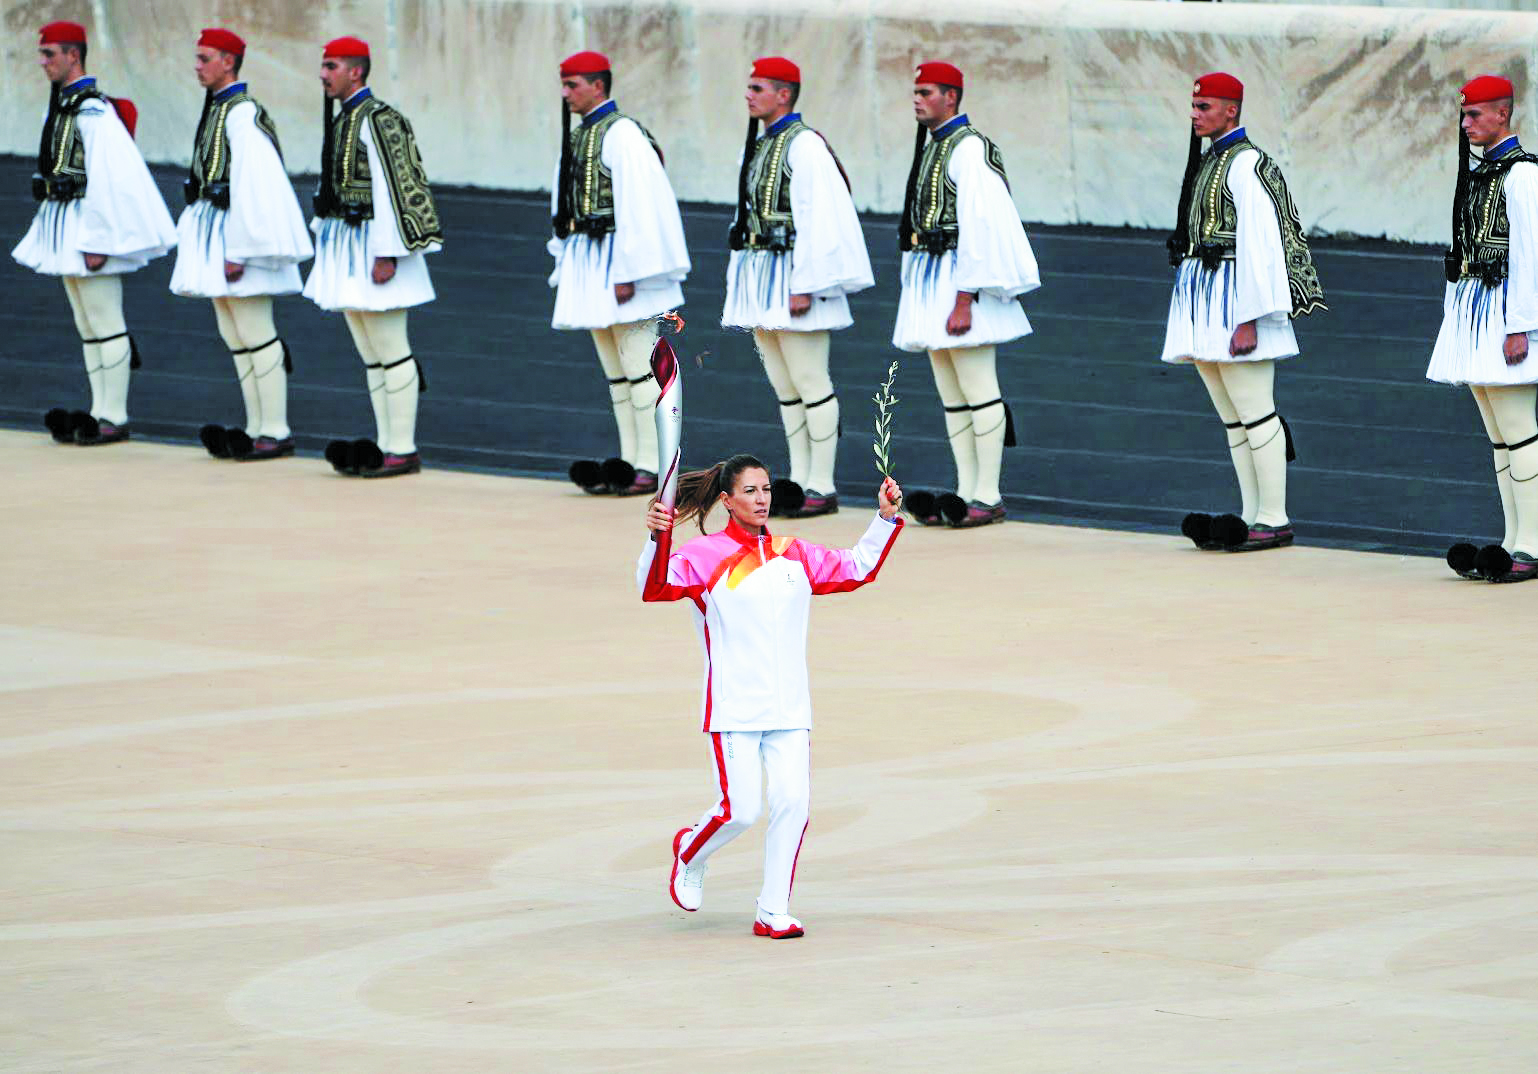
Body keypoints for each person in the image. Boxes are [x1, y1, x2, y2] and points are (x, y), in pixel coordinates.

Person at [638, 455, 903, 939]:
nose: (761, 499)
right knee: (739, 811)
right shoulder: (705, 555)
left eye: (766, 489)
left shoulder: (793, 553)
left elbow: (857, 567)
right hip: (735, 706)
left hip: (789, 708)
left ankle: (772, 909)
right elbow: (655, 587)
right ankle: (690, 852)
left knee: (793, 804)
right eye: (750, 491)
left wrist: (883, 518)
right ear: (727, 500)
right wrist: (657, 537)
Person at [1163, 72, 1325, 553]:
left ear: (1232, 110)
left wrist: (1250, 317)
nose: (1195, 115)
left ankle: (1273, 516)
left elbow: (1261, 244)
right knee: (1234, 417)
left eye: (1205, 107)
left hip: (1236, 299)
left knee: (1256, 411)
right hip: (1207, 296)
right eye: (1194, 107)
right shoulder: (1214, 160)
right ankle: (1252, 514)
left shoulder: (1246, 162)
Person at [721, 57, 874, 518]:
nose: (749, 95)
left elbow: (820, 216)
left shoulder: (804, 144)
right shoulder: (766, 142)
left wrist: (806, 284)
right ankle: (800, 479)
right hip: (762, 277)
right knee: (785, 386)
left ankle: (822, 485)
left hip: (792, 277)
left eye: (758, 88)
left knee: (812, 382)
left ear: (784, 94)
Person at [892, 62, 1040, 529]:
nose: (917, 99)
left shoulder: (969, 148)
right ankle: (965, 491)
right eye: (915, 91)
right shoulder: (936, 146)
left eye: (927, 92)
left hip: (961, 281)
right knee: (952, 395)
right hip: (933, 279)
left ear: (951, 97)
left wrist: (964, 298)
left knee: (979, 390)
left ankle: (989, 494)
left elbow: (982, 227)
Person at [15, 20, 175, 446]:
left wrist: (100, 241)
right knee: (87, 323)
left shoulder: (93, 109)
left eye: (50, 54)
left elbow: (111, 179)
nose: (43, 62)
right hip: (66, 223)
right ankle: (98, 410)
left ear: (73, 55)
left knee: (106, 320)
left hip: (90, 225)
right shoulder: (65, 105)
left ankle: (115, 415)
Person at [550, 50, 691, 497]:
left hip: (619, 262)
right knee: (616, 371)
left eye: (574, 84)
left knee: (641, 367)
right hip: (590, 261)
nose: (567, 93)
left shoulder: (622, 133)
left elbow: (642, 205)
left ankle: (653, 464)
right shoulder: (582, 135)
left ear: (598, 85)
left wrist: (632, 270)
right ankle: (630, 461)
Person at [170, 28, 313, 462]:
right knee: (233, 332)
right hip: (216, 226)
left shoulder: (241, 113)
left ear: (229, 62)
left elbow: (256, 184)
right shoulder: (219, 109)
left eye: (205, 58)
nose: (197, 65)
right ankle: (255, 428)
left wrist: (240, 249)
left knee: (255, 330)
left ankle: (276, 430)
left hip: (237, 232)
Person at [304, 35, 442, 478]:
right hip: (347, 242)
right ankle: (386, 445)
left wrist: (389, 253)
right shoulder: (345, 118)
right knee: (370, 350)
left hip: (375, 246)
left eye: (331, 66)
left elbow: (397, 186)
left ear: (356, 71)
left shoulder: (379, 119)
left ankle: (402, 448)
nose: (323, 74)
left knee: (391, 349)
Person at [1433, 76, 1538, 583]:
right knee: (1500, 438)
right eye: (1465, 115)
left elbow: (1531, 258)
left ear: (1503, 114)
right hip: (1477, 312)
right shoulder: (1482, 174)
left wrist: (1521, 326)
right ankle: (1513, 540)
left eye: (1475, 115)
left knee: (1519, 432)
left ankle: (1533, 544)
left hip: (1505, 317)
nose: (1467, 123)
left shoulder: (1523, 176)